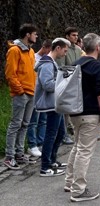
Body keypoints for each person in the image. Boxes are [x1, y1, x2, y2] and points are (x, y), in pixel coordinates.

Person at [64, 33, 100, 202]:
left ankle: (69, 182)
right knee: (84, 151)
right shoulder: (96, 66)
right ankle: (78, 190)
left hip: (74, 113)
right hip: (90, 114)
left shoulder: (75, 64)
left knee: (77, 147)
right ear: (98, 47)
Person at [3, 23, 38, 170]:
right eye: (34, 34)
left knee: (24, 124)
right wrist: (20, 90)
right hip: (21, 93)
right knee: (16, 124)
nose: (36, 36)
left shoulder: (30, 51)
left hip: (31, 92)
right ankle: (9, 156)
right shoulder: (15, 51)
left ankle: (19, 153)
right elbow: (10, 73)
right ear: (27, 34)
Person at [34, 38, 71, 176]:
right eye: (65, 51)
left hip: (55, 103)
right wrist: (63, 81)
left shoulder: (51, 63)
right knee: (51, 134)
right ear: (58, 48)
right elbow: (47, 85)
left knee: (60, 133)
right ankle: (45, 167)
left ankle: (51, 160)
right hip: (50, 104)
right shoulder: (47, 64)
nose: (65, 54)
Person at [56, 27, 82, 145]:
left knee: (74, 108)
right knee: (65, 110)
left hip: (76, 80)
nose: (76, 37)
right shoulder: (64, 48)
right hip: (66, 80)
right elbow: (61, 66)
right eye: (73, 35)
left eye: (77, 35)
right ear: (67, 36)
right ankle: (63, 135)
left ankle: (74, 132)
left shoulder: (78, 49)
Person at [26, 39, 52, 157]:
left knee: (43, 120)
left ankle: (40, 142)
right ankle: (32, 144)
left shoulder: (48, 59)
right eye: (49, 50)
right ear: (45, 48)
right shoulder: (34, 57)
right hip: (35, 92)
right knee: (33, 121)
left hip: (44, 94)